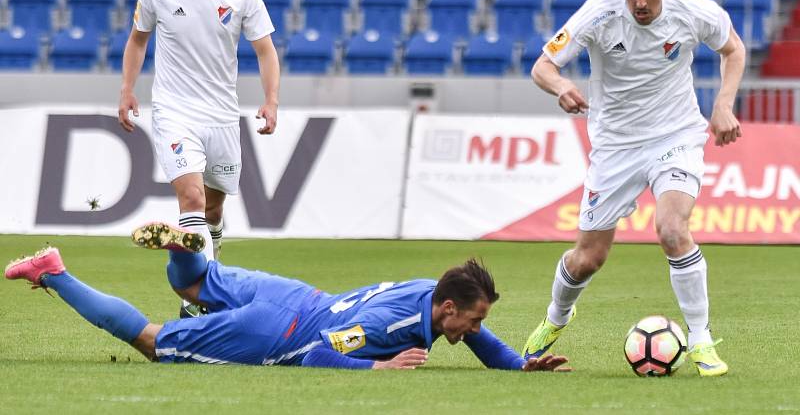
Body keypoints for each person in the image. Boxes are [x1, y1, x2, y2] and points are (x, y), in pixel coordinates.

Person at [524, 0, 744, 377]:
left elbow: (733, 49)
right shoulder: (599, 12)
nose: (639, 3)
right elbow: (542, 66)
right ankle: (556, 318)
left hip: (675, 136)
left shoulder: (693, 12)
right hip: (615, 146)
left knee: (672, 229)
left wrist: (723, 104)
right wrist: (561, 87)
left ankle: (700, 340)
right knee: (588, 258)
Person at [5, 223, 570, 372]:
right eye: (469, 321)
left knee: (191, 283)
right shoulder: (395, 328)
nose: (473, 330)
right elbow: (320, 352)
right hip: (281, 330)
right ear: (448, 309)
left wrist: (521, 365)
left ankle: (185, 248)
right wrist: (379, 370)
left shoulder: (435, 291)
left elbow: (483, 342)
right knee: (152, 341)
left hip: (296, 293)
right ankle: (54, 272)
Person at [116, 0, 280, 317]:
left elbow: (266, 50)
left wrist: (271, 99)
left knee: (213, 210)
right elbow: (137, 41)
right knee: (190, 198)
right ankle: (199, 300)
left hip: (222, 115)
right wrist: (127, 90)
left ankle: (212, 253)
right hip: (174, 110)